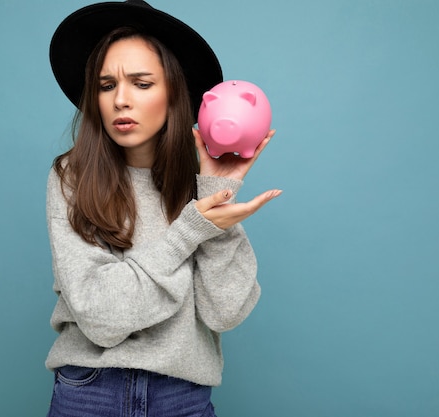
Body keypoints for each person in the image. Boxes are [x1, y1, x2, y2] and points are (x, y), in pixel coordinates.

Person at [45, 1, 282, 416]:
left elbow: (225, 311)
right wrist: (189, 231)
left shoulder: (199, 190)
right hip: (89, 392)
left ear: (174, 93)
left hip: (182, 395)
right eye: (105, 85)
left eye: (141, 83)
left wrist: (218, 188)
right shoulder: (72, 176)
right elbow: (102, 319)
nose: (120, 100)